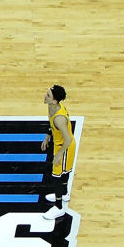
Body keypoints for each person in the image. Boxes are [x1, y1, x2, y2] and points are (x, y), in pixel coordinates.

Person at [41, 85, 76, 220]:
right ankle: (65, 193)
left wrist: (59, 154)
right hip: (59, 143)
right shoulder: (52, 107)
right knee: (62, 173)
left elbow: (68, 138)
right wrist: (47, 136)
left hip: (65, 146)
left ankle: (59, 207)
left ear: (55, 101)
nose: (45, 96)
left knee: (56, 177)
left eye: (48, 95)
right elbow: (52, 126)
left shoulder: (59, 118)